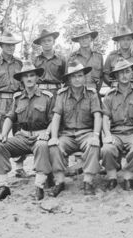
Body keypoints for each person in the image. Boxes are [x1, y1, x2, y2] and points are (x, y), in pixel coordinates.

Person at [0, 61, 54, 201]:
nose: (29, 79)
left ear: (37, 78)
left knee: (42, 145)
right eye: (26, 76)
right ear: (22, 79)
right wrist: (4, 134)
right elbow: (10, 117)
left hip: (40, 136)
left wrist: (47, 133)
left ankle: (39, 186)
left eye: (32, 75)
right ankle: (3, 187)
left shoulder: (47, 96)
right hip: (23, 136)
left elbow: (53, 119)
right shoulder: (18, 98)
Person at [48, 61, 102, 196]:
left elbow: (98, 116)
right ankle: (59, 182)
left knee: (94, 145)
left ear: (84, 77)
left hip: (86, 133)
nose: (77, 79)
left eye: (80, 76)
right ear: (69, 79)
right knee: (55, 146)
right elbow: (56, 117)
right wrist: (54, 137)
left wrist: (95, 135)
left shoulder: (92, 94)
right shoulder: (62, 94)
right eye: (73, 76)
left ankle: (88, 182)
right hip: (67, 135)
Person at [0, 31, 27, 178]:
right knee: (0, 135)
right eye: (7, 45)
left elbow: (24, 82)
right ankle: (2, 173)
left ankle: (19, 167)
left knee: (19, 133)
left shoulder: (19, 63)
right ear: (1, 46)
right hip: (0, 101)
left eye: (13, 45)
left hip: (17, 100)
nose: (10, 47)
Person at [101, 58, 133, 191]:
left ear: (132, 73)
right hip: (116, 133)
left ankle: (129, 176)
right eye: (120, 73)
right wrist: (108, 135)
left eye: (127, 71)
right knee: (106, 149)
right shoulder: (109, 95)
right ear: (116, 76)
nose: (124, 75)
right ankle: (112, 177)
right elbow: (105, 118)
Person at [69, 25, 104, 93]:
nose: (84, 40)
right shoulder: (72, 58)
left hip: (94, 91)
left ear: (91, 39)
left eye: (86, 37)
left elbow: (102, 77)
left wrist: (96, 90)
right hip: (77, 93)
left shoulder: (99, 57)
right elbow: (68, 79)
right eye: (81, 38)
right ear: (78, 40)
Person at [33, 29, 66, 96]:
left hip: (57, 92)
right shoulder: (35, 60)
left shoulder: (61, 59)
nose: (46, 43)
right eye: (43, 41)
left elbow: (67, 78)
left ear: (53, 42)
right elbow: (30, 78)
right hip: (39, 92)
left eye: (49, 40)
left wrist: (63, 92)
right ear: (40, 43)